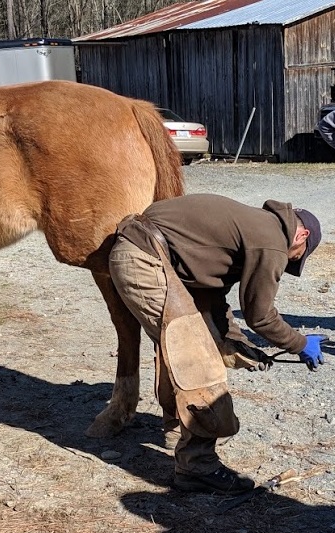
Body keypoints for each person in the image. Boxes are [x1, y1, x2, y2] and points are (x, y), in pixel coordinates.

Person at [109, 194, 323, 495]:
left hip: (142, 251)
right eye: (296, 257)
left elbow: (212, 299)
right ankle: (197, 467)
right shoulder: (273, 240)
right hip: (145, 259)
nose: (288, 261)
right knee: (197, 358)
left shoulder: (253, 226)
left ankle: (176, 431)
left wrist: (234, 342)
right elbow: (260, 316)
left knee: (183, 348)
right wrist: (300, 344)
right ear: (302, 235)